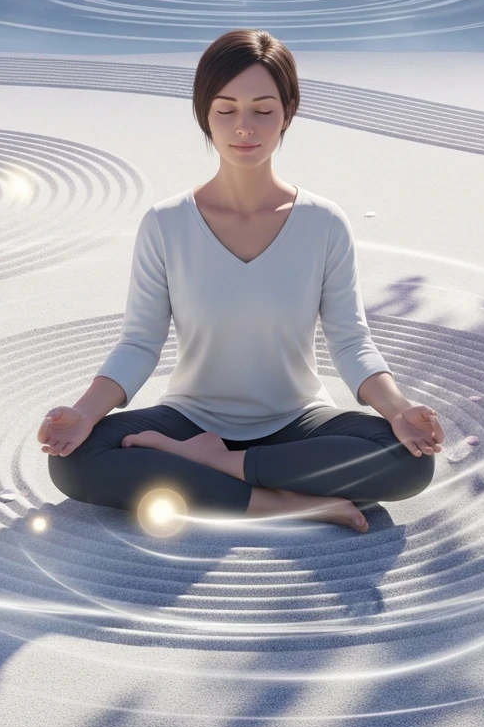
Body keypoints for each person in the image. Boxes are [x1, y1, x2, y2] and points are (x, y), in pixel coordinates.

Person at [38, 29, 444, 533]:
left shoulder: (324, 223)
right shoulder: (166, 223)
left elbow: (350, 339)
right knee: (76, 459)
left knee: (408, 462)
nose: (244, 128)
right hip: (190, 418)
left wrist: (398, 408)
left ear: (288, 112)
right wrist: (83, 413)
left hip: (298, 423)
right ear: (204, 113)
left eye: (263, 110)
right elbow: (140, 342)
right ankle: (285, 503)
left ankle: (220, 468)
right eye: (226, 110)